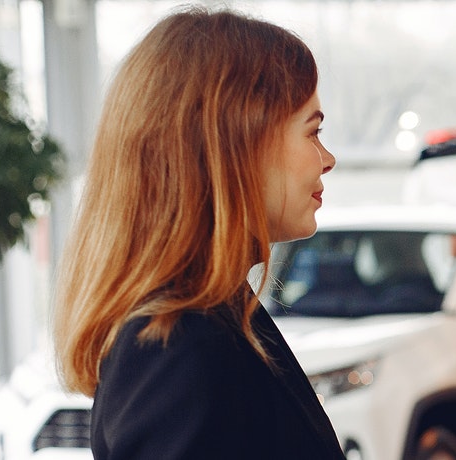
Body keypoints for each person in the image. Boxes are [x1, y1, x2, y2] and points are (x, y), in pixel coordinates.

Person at [52, 7, 343, 459]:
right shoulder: (176, 344)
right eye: (312, 132)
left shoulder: (211, 317)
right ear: (236, 143)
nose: (327, 158)